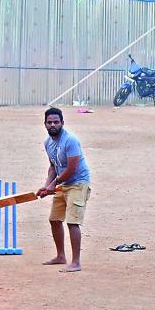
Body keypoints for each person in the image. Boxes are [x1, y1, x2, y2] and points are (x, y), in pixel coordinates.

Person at [37, 107, 91, 273]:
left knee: (73, 222)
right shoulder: (48, 143)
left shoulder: (70, 140)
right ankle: (61, 256)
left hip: (78, 183)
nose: (53, 125)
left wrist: (54, 183)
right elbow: (53, 166)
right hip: (62, 183)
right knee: (54, 219)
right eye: (49, 122)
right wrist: (47, 185)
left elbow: (72, 169)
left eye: (56, 122)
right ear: (45, 124)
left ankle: (76, 262)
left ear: (62, 123)